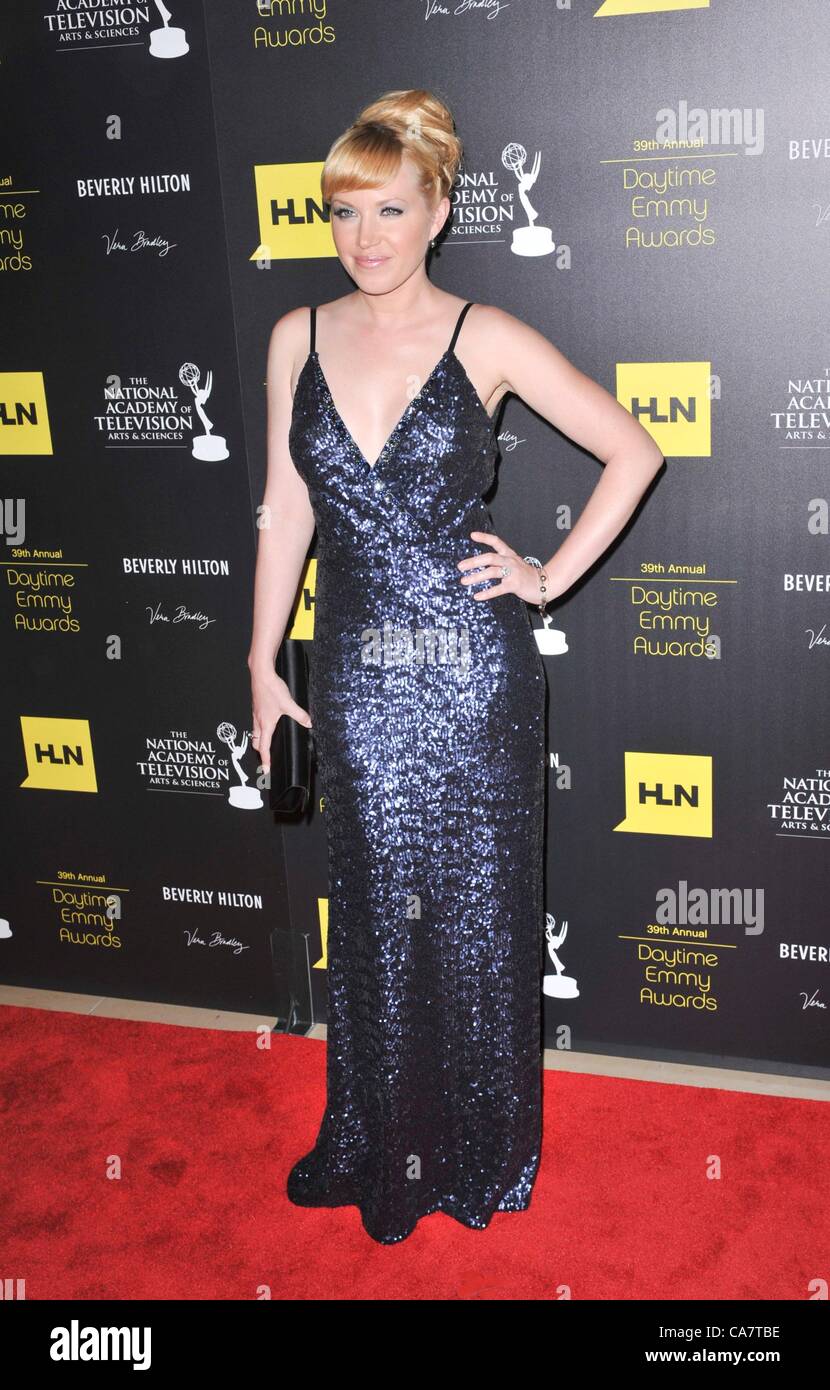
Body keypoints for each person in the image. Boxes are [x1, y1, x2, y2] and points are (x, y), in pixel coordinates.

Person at [248, 88, 664, 1245]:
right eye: (344, 213)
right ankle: (377, 1138)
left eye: (390, 209)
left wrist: (547, 575)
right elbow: (285, 514)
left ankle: (478, 1147)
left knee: (476, 912)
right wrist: (258, 664)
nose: (364, 236)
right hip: (358, 677)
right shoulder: (298, 335)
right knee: (378, 909)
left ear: (437, 210)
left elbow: (633, 446)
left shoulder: (485, 335)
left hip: (473, 675)